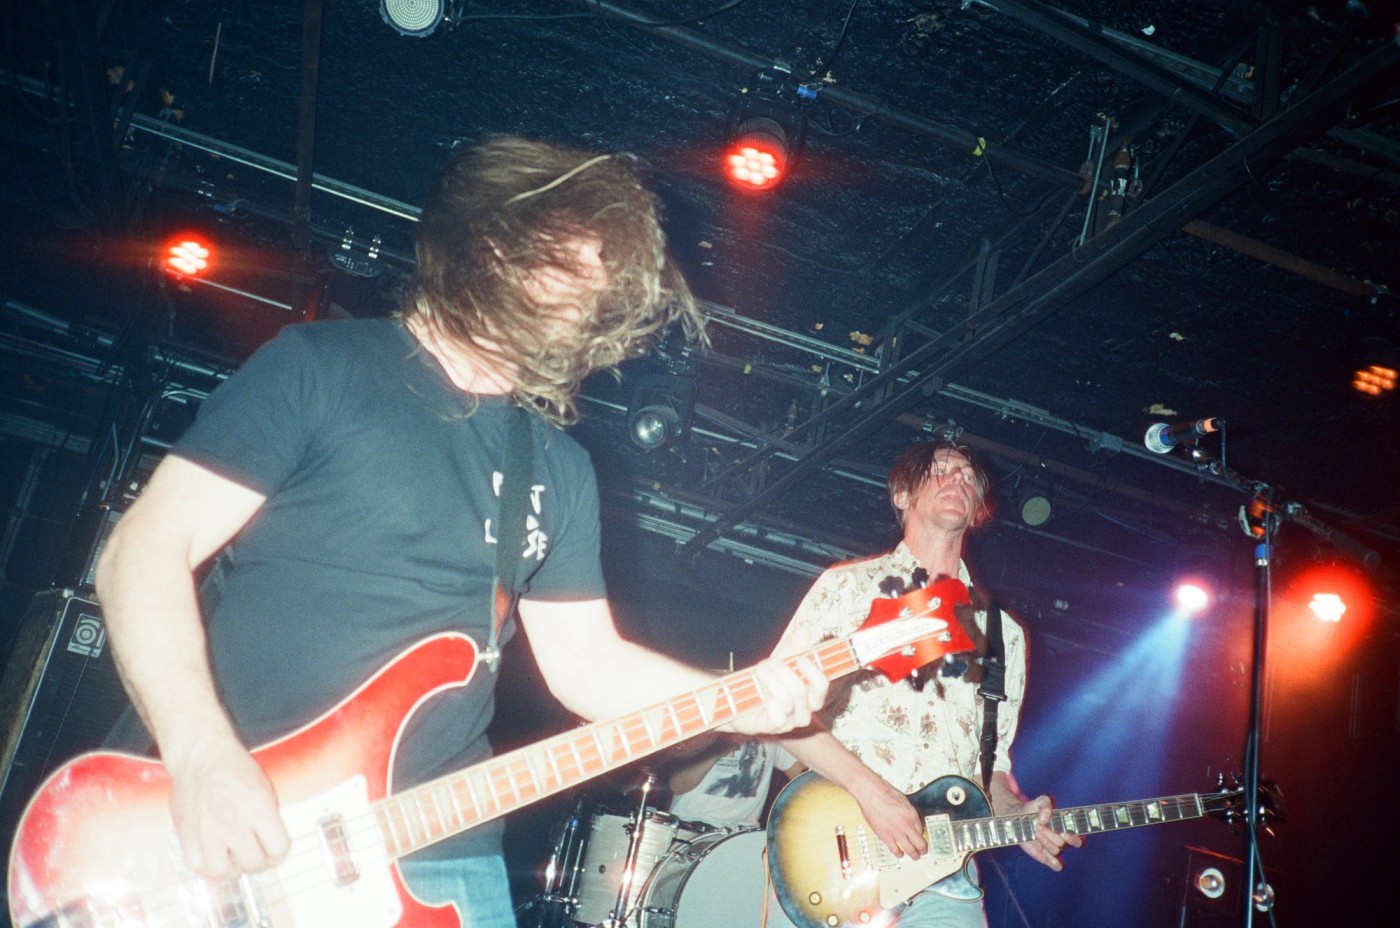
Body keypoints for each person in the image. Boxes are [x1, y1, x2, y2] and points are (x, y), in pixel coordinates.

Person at [94, 135, 827, 928]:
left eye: (599, 282)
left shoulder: (560, 466)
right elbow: (143, 550)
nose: (586, 300)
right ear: (492, 249)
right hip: (248, 813)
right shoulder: (322, 367)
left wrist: (737, 701)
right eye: (569, 268)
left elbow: (587, 666)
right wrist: (202, 758)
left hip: (441, 847)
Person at [771, 440, 1081, 928]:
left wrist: (1017, 814)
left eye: (967, 476)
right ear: (901, 495)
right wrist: (872, 793)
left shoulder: (1004, 635)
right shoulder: (848, 587)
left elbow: (990, 770)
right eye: (939, 470)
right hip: (839, 859)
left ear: (979, 508)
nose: (956, 479)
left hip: (947, 877)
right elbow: (775, 713)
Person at [663, 732, 804, 830]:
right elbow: (678, 784)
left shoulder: (769, 733)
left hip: (740, 837)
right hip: (689, 828)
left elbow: (802, 778)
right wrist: (720, 748)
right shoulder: (708, 727)